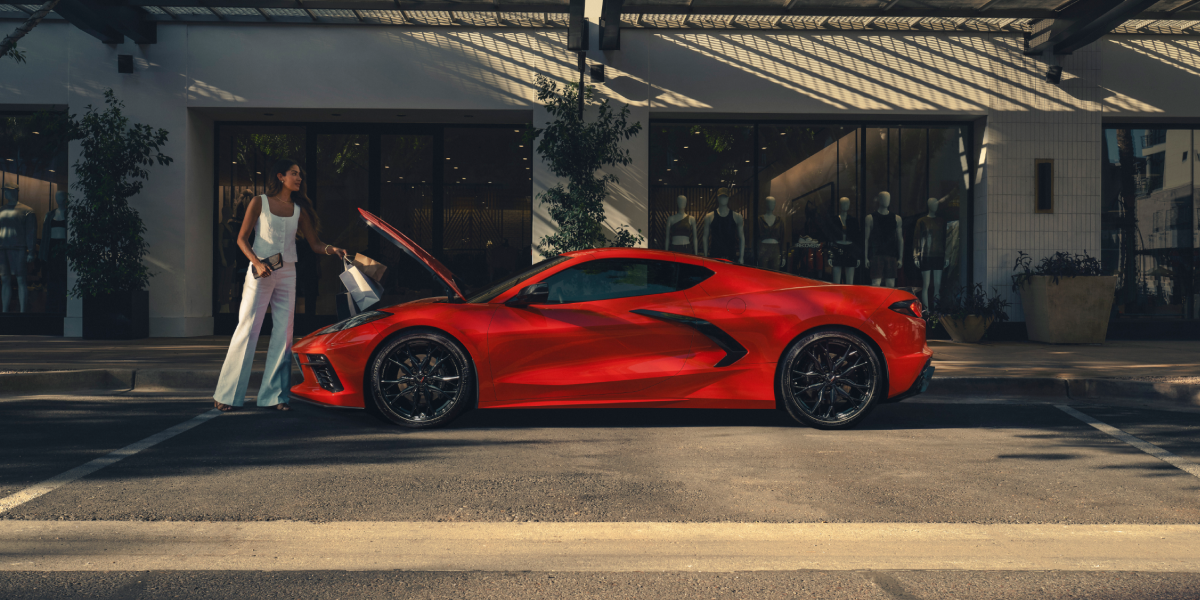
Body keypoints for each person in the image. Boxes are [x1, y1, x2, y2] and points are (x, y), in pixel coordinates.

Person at [213, 159, 347, 412]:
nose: (299, 178)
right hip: (260, 271)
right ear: (281, 177)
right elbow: (242, 239)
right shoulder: (259, 202)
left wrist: (332, 249)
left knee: (284, 335)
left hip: (288, 273)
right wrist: (256, 262)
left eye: (300, 175)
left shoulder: (299, 209)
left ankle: (275, 395)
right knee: (247, 329)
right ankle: (227, 393)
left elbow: (315, 244)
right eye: (294, 174)